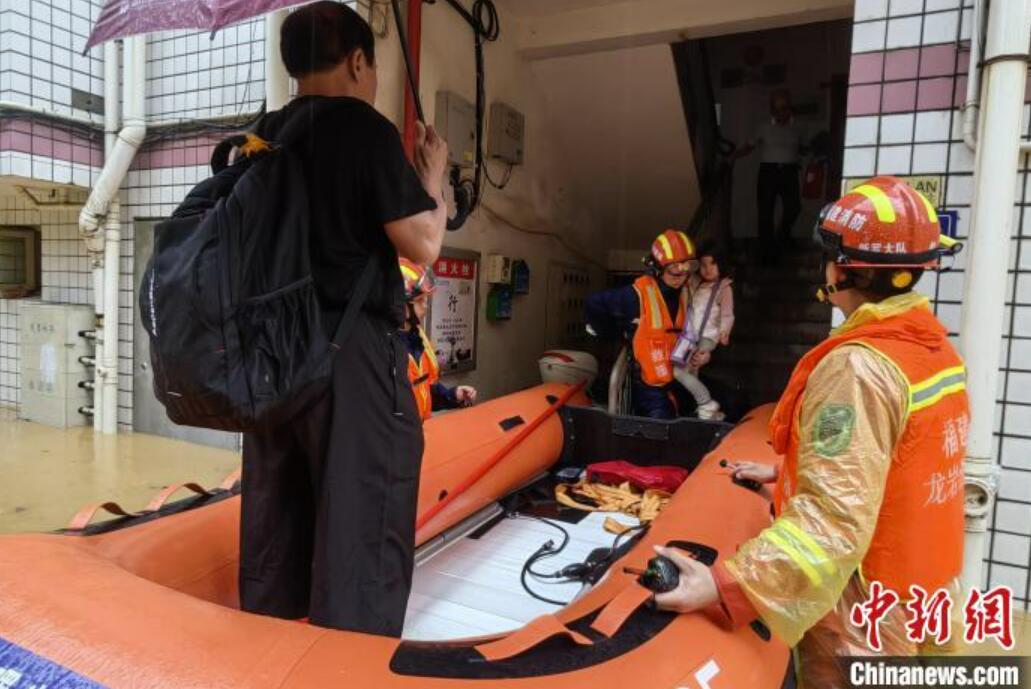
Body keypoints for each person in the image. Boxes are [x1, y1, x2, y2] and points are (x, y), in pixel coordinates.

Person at [653, 177, 968, 687]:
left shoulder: (859, 369)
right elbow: (895, 462)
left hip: (865, 614)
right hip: (924, 593)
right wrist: (788, 471)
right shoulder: (932, 350)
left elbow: (832, 524)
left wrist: (722, 583)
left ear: (842, 269)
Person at [238, 2, 448, 636]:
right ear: (359, 61)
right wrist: (433, 179)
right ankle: (347, 663)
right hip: (351, 351)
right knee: (366, 508)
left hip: (272, 354)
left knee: (279, 506)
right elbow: (424, 246)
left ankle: (270, 648)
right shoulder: (364, 130)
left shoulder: (263, 136)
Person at [585, 229, 696, 420]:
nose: (681, 277)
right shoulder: (635, 295)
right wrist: (617, 332)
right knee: (662, 422)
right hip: (649, 386)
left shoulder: (688, 293)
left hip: (678, 378)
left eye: (687, 269)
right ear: (657, 269)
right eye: (674, 271)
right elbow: (594, 303)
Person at [735, 89, 807, 264]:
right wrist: (732, 157)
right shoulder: (764, 126)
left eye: (784, 108)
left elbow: (803, 148)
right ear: (772, 111)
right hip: (769, 172)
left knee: (794, 207)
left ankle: (781, 237)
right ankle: (766, 250)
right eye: (777, 108)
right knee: (765, 211)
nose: (781, 112)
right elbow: (749, 146)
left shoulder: (798, 127)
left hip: (789, 171)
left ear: (789, 108)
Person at [399, 258, 477, 419]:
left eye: (426, 300)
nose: (425, 306)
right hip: (395, 441)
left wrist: (453, 395)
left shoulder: (417, 337)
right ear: (398, 304)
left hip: (420, 435)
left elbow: (424, 388)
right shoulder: (380, 346)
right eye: (420, 300)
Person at [671, 247, 734, 420]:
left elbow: (727, 313)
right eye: (704, 264)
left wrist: (724, 331)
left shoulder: (724, 287)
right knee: (688, 372)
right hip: (690, 336)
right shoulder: (696, 282)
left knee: (679, 371)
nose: (708, 269)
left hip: (708, 336)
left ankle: (706, 402)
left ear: (721, 264)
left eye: (712, 264)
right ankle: (710, 413)